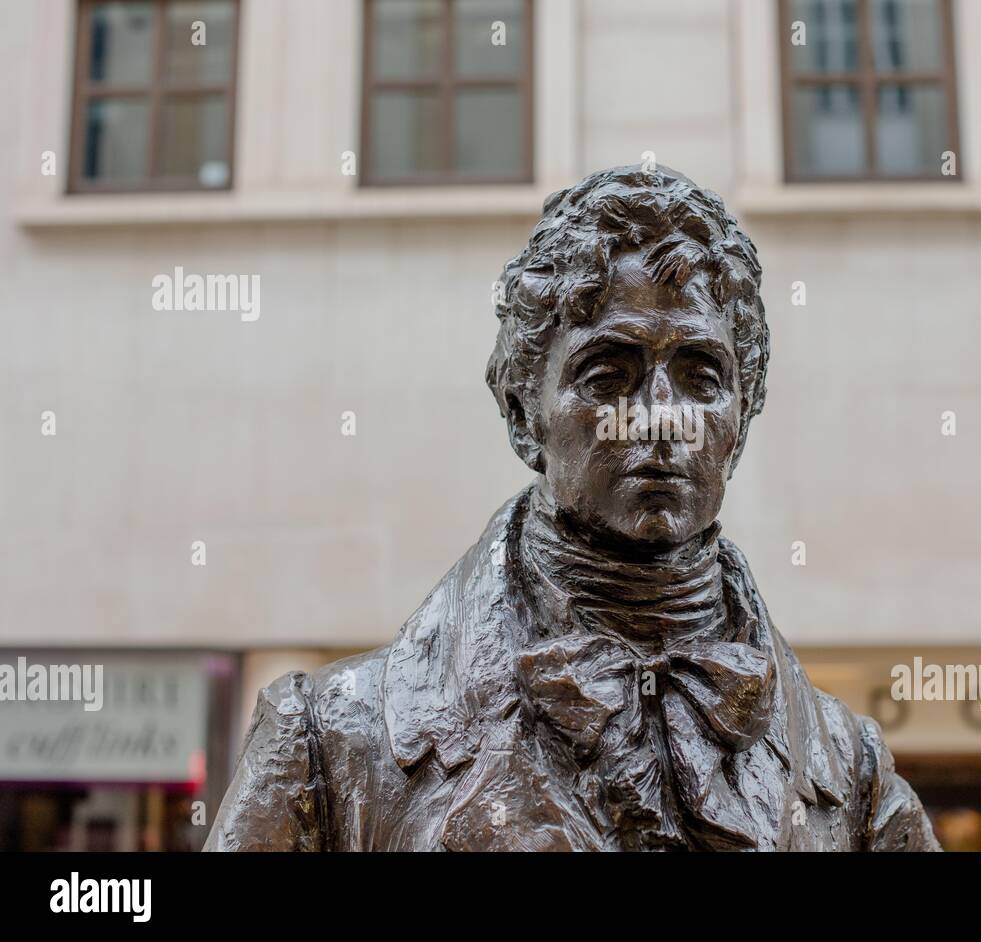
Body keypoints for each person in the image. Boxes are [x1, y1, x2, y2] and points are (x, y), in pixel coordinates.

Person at [204, 165, 939, 851]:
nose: (658, 417)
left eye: (701, 376)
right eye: (608, 374)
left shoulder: (855, 774)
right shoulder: (327, 742)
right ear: (524, 415)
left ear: (742, 419)